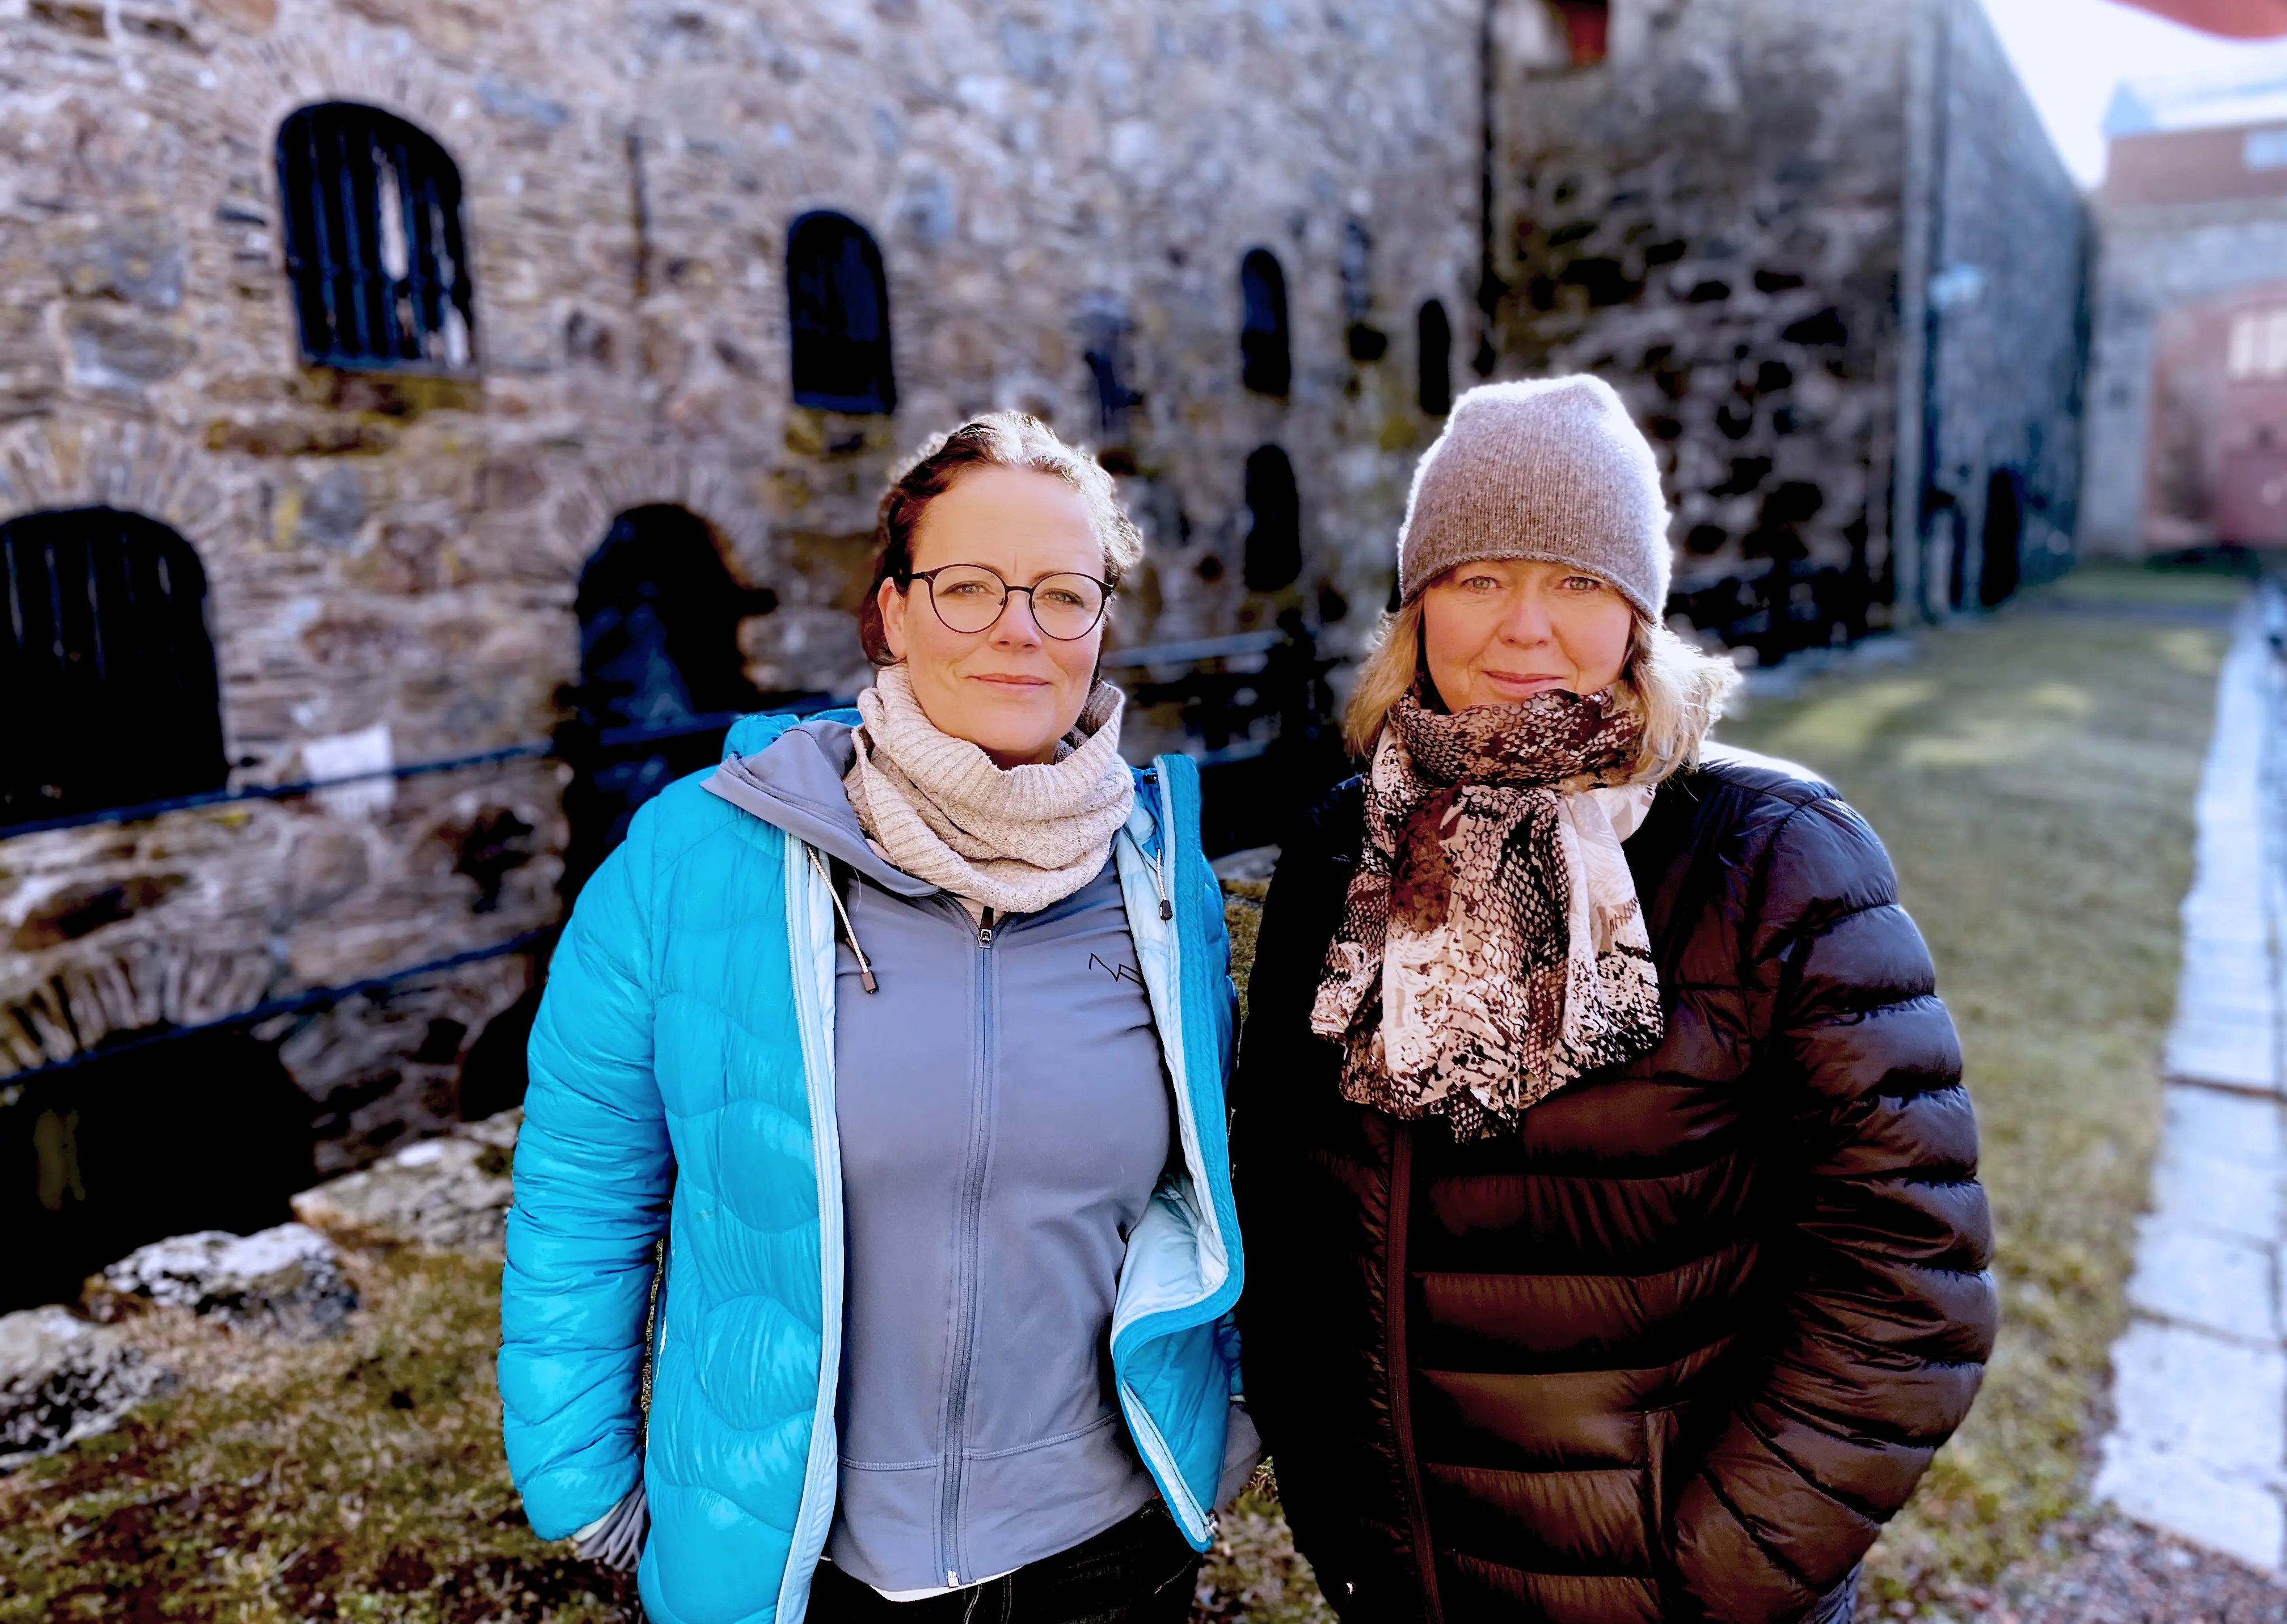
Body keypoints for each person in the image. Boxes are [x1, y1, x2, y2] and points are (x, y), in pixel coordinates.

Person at [1234, 377, 1997, 1624]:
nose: (1523, 629)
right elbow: (1289, 1193)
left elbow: (1912, 1276)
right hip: (1406, 1583)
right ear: (1418, 604)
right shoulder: (1346, 849)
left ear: (1639, 612)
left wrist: (1718, 1569)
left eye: (1578, 581)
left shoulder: (1776, 855)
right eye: (1479, 578)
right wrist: (1339, 1507)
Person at [499, 412, 1254, 1624]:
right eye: (968, 588)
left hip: (1107, 1553)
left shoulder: (1165, 885)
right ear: (894, 613)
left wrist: (1226, 1429)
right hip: (803, 1567)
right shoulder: (696, 856)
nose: (1019, 630)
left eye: (1064, 594)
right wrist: (579, 1480)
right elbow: (584, 1189)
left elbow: (1221, 1183)